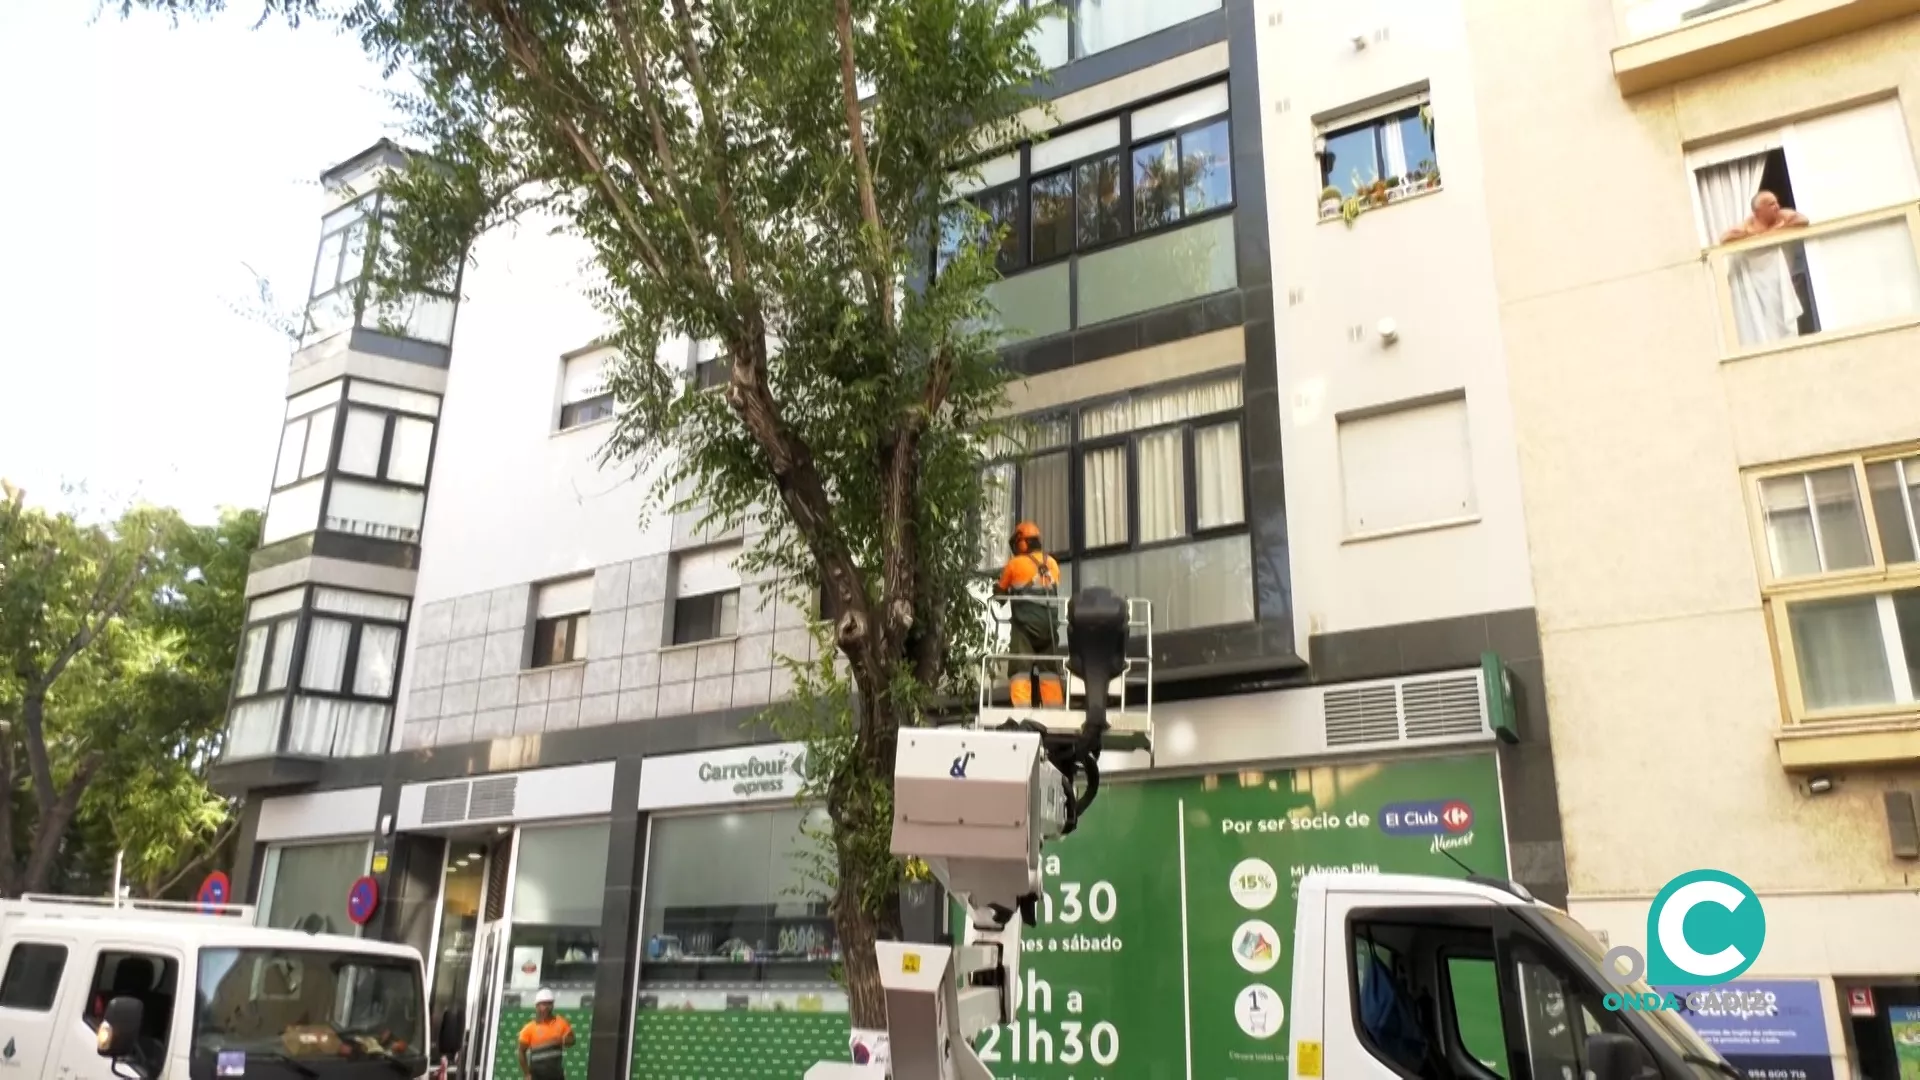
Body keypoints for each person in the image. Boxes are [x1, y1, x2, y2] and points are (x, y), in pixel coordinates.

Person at [994, 521, 1065, 708]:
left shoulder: (1014, 565)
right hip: (1049, 627)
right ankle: (1055, 709)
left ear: (1022, 542)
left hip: (1024, 628)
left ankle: (1021, 710)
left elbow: (999, 597)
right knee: (1050, 671)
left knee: (1020, 669)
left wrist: (1001, 589)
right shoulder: (1052, 564)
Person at [516, 988, 575, 1080]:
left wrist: (565, 1040)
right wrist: (527, 1074)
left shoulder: (561, 1022)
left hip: (556, 1075)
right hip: (537, 1075)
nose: (546, 1007)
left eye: (549, 1004)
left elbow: (572, 1040)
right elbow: (521, 1051)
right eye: (543, 1004)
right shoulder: (529, 1028)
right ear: (537, 1006)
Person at [1721, 189, 1810, 243]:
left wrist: (1778, 229)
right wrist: (1754, 235)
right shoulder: (1749, 224)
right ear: (1758, 211)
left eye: (1776, 202)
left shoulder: (1782, 215)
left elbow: (1803, 220)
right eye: (1772, 204)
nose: (1777, 207)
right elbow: (1725, 238)